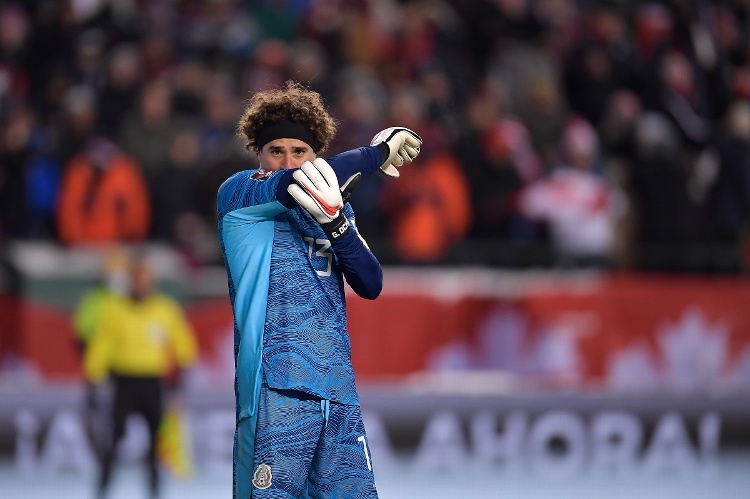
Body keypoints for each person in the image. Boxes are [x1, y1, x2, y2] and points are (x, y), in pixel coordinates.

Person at [216, 80, 421, 498]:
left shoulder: (332, 203)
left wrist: (336, 224)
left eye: (300, 151)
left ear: (316, 153)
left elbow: (370, 283)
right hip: (276, 388)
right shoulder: (240, 195)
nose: (288, 161)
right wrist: (376, 154)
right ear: (259, 155)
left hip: (337, 389)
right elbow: (299, 182)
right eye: (276, 151)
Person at [84, 252, 198, 499]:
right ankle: (102, 490)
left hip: (153, 383)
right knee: (113, 441)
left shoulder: (164, 310)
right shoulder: (114, 310)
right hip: (123, 382)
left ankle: (155, 491)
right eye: (137, 278)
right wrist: (94, 378)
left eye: (146, 279)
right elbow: (102, 345)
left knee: (156, 444)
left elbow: (183, 344)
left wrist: (183, 377)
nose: (141, 283)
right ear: (130, 281)